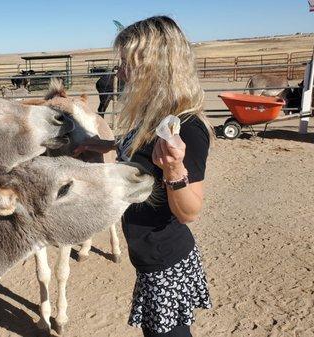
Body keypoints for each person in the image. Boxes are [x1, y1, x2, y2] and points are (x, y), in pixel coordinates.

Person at [74, 16, 213, 337]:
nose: (120, 72)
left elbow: (190, 211)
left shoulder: (186, 128)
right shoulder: (152, 116)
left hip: (164, 260)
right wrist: (103, 143)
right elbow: (140, 151)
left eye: (127, 64)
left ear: (156, 66)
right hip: (149, 254)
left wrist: (175, 169)